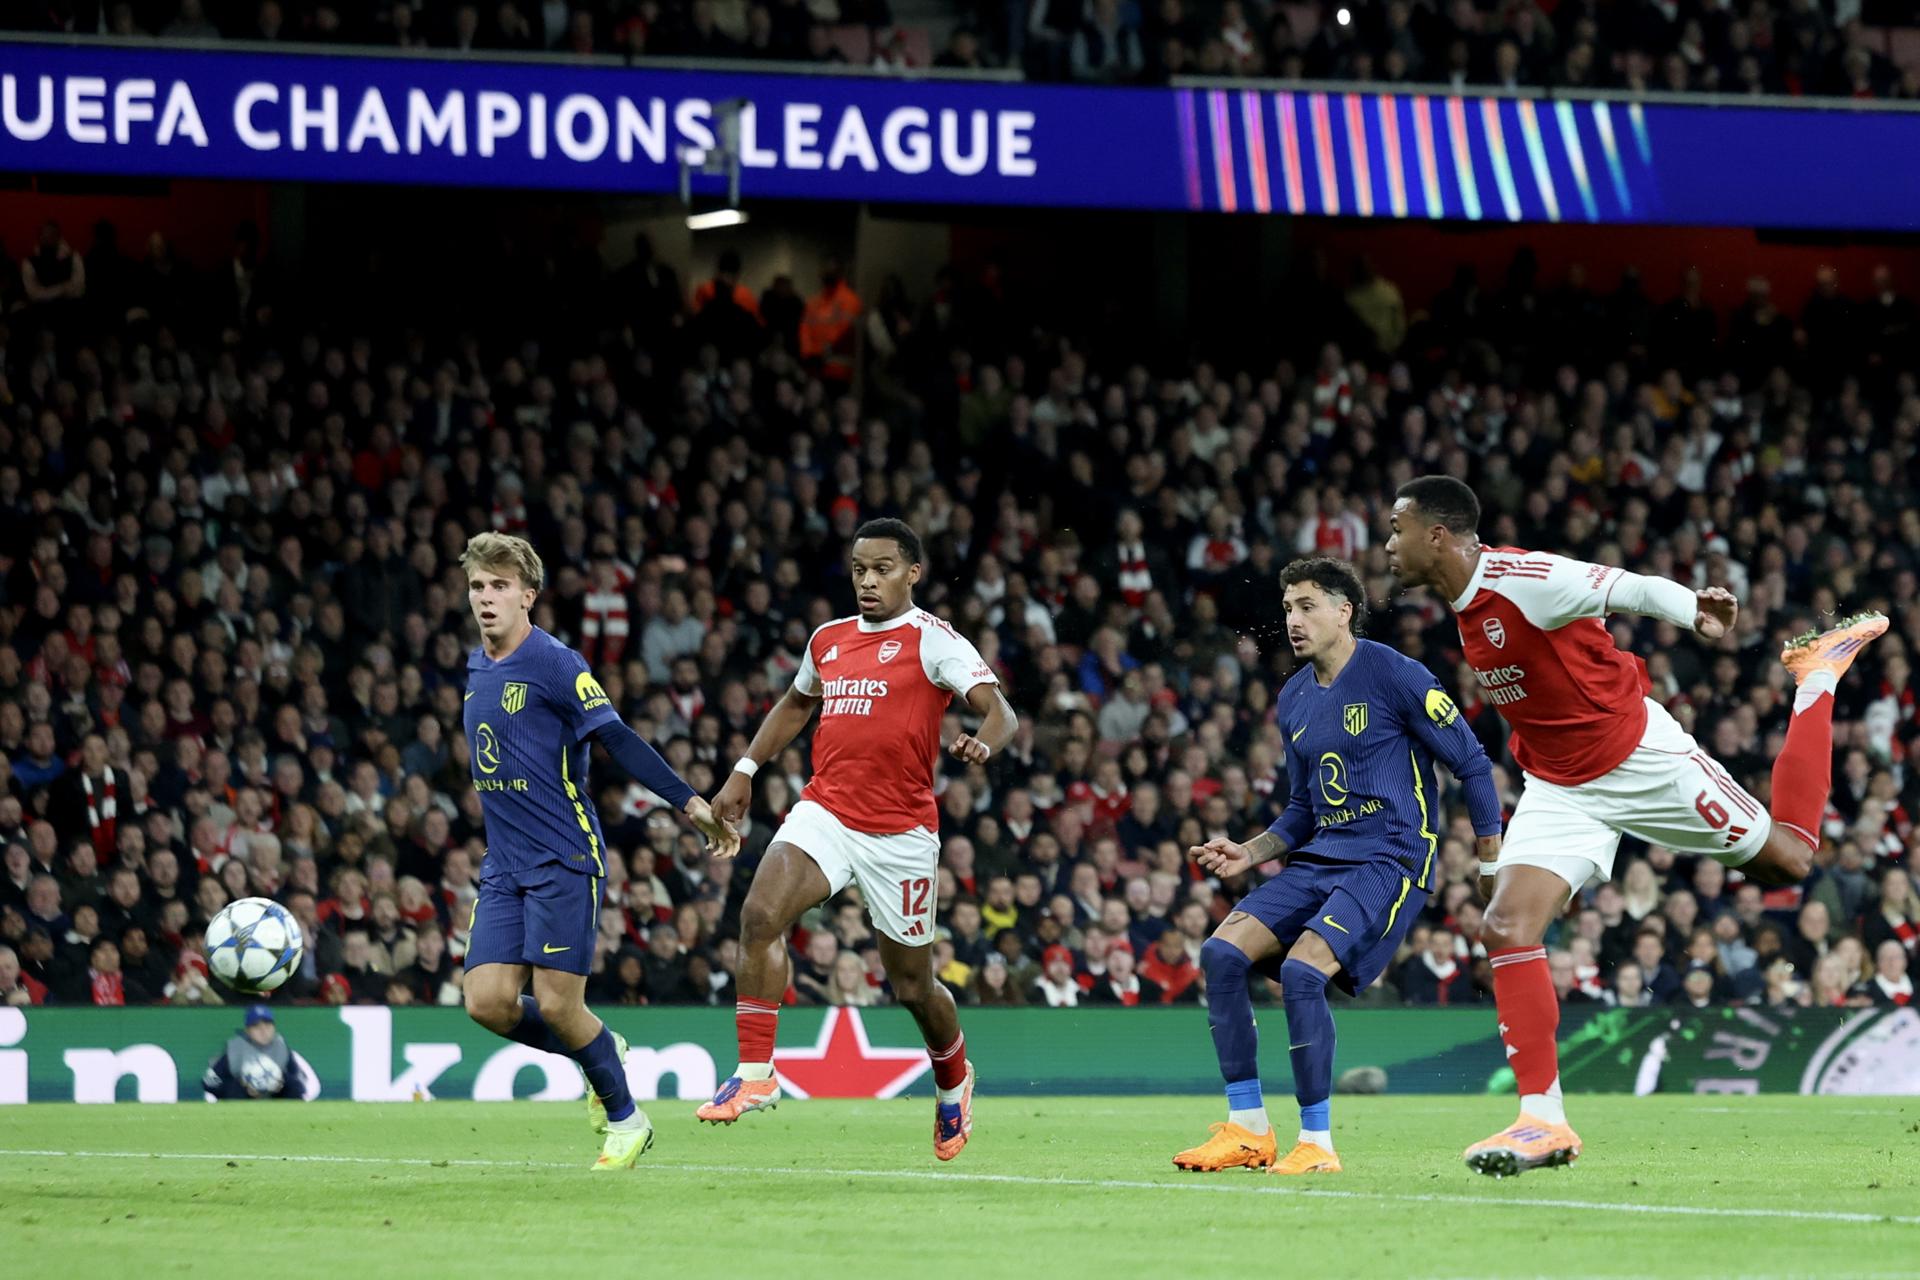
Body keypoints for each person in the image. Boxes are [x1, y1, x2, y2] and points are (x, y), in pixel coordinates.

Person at [1387, 474, 1887, 1176]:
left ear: (1435, 534)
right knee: (1504, 929)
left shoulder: (1527, 579)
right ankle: (1543, 1121)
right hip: (1560, 786)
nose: (1386, 544)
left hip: (1640, 761)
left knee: (1791, 860)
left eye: (1395, 528)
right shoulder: (1463, 604)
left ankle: (1816, 679)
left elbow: (1629, 587)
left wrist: (1696, 612)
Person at [700, 519, 1018, 1161]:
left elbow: (1000, 709)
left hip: (900, 835)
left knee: (913, 986)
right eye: (858, 570)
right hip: (826, 811)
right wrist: (744, 770)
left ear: (912, 573)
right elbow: (795, 705)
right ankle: (757, 1076)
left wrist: (985, 740)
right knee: (760, 913)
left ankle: (954, 1079)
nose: (867, 581)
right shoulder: (829, 639)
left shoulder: (933, 640)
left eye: (881, 569)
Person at [1177, 558, 1502, 1176]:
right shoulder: (1294, 697)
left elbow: (1473, 764)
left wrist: (1490, 866)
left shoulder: (1396, 674)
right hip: (1321, 855)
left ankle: (1318, 1143)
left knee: (1302, 973)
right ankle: (1248, 1130)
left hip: (1390, 853)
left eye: (1306, 606)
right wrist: (1251, 851)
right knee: (1220, 955)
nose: (1292, 621)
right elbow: (1303, 806)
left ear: (1343, 610)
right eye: (1288, 608)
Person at [455, 532, 739, 1172]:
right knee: (486, 1002)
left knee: (558, 1004)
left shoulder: (556, 663)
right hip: (503, 865)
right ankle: (600, 1048)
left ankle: (627, 1121)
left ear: (529, 595)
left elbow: (618, 737)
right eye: (478, 586)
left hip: (562, 856)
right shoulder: (476, 668)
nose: (487, 597)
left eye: (500, 585)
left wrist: (691, 805)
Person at [202, 1005, 311, 1100]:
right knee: (235, 1090)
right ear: (247, 1030)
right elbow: (209, 1082)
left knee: (293, 1088)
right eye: (256, 1026)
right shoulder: (236, 1049)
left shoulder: (281, 1048)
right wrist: (241, 1087)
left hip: (276, 1101)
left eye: (268, 1025)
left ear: (274, 1027)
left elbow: (299, 1084)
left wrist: (282, 1082)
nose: (263, 1030)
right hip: (243, 1105)